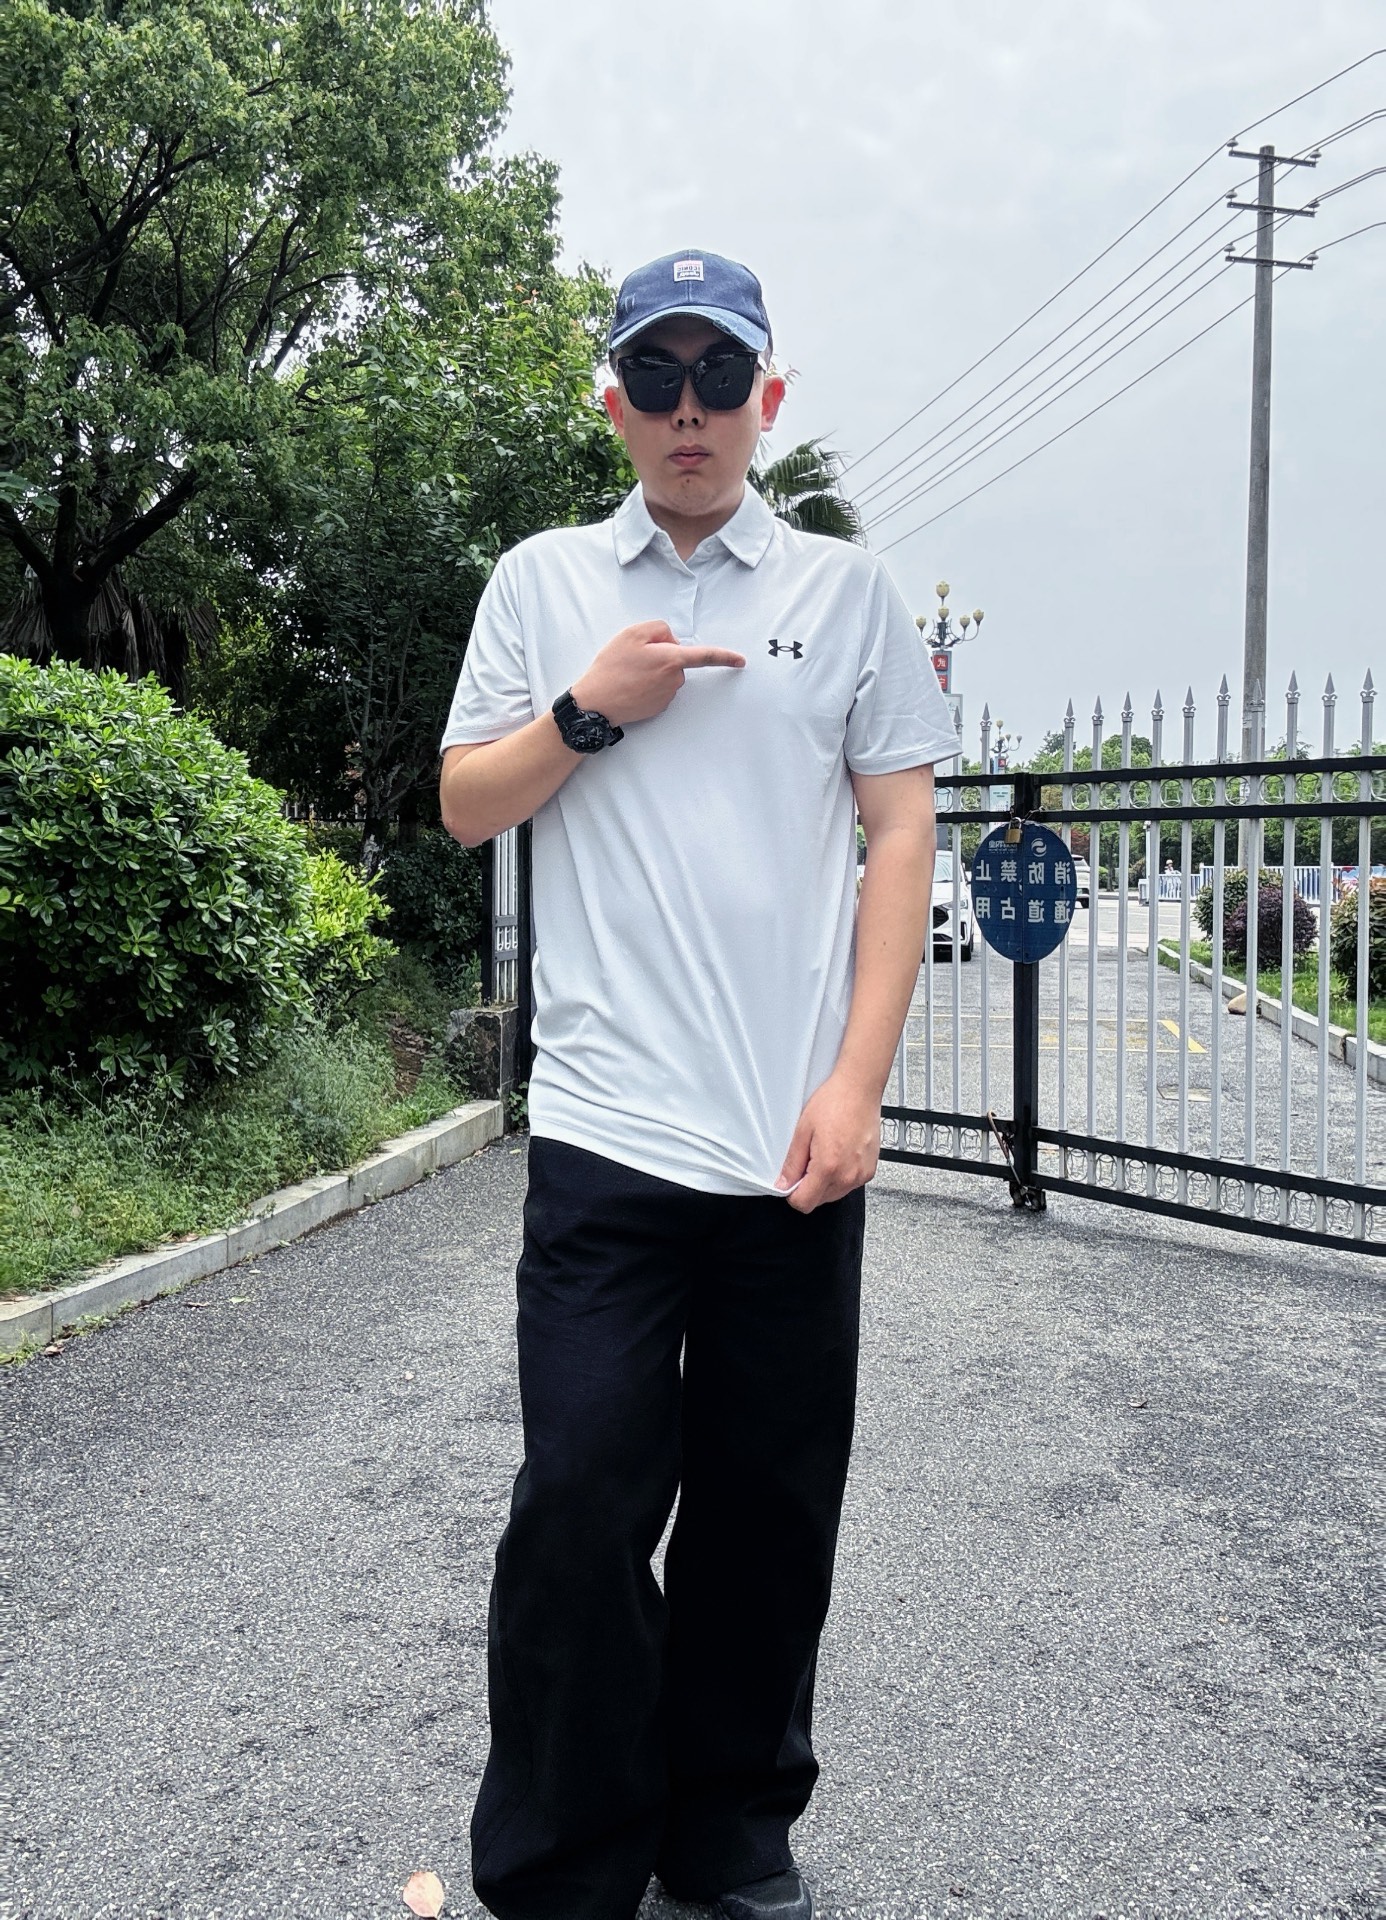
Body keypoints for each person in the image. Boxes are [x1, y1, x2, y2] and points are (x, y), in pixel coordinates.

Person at [439, 248, 959, 1920]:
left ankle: (727, 1831)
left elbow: (898, 834)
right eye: (654, 376)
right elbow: (466, 804)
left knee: (767, 1509)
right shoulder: (541, 583)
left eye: (717, 376)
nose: (687, 409)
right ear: (612, 402)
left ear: (766, 400)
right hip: (607, 1132)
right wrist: (590, 711)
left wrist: (858, 1084)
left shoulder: (845, 592)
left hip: (789, 1142)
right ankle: (563, 1861)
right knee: (580, 1502)